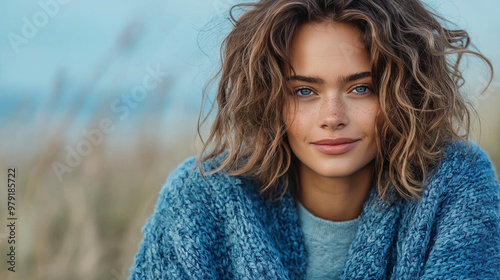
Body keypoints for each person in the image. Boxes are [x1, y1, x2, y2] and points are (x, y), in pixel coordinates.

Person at [128, 0, 500, 279]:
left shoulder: (456, 183)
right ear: (268, 97)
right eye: (304, 91)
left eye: (361, 88)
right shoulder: (201, 198)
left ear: (406, 92)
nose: (333, 118)